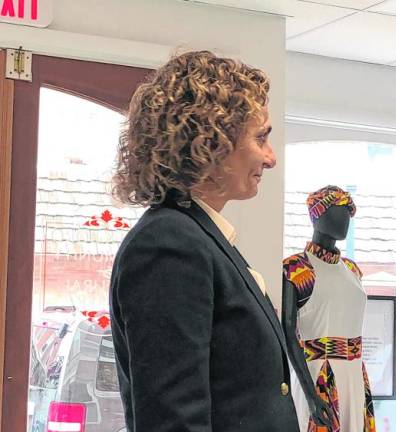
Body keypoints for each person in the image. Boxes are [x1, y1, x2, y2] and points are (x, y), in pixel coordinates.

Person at [110, 50, 301, 432]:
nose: (270, 157)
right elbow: (174, 421)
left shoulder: (200, 236)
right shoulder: (169, 245)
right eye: (260, 138)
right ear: (209, 141)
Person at [282, 186, 376, 432]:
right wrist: (311, 395)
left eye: (349, 210)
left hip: (354, 375)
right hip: (318, 377)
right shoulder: (297, 269)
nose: (346, 216)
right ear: (318, 215)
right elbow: (288, 334)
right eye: (339, 209)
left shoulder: (352, 270)